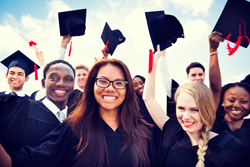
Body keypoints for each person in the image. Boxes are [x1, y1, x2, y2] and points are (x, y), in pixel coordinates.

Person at [0, 58, 156, 167]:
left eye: (119, 82)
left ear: (127, 88)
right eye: (102, 81)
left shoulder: (144, 133)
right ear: (91, 86)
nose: (110, 87)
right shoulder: (74, 129)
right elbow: (21, 162)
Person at [143, 45, 250, 167]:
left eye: (195, 110)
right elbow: (148, 98)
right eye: (181, 108)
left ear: (207, 110)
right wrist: (155, 61)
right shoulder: (173, 131)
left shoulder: (235, 152)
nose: (186, 117)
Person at [0, 59, 74, 153]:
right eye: (12, 73)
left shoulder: (31, 100)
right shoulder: (9, 103)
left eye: (20, 74)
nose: (15, 76)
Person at [212, 82, 250, 148]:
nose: (237, 105)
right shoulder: (212, 125)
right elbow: (215, 88)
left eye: (244, 101)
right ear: (223, 101)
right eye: (231, 100)